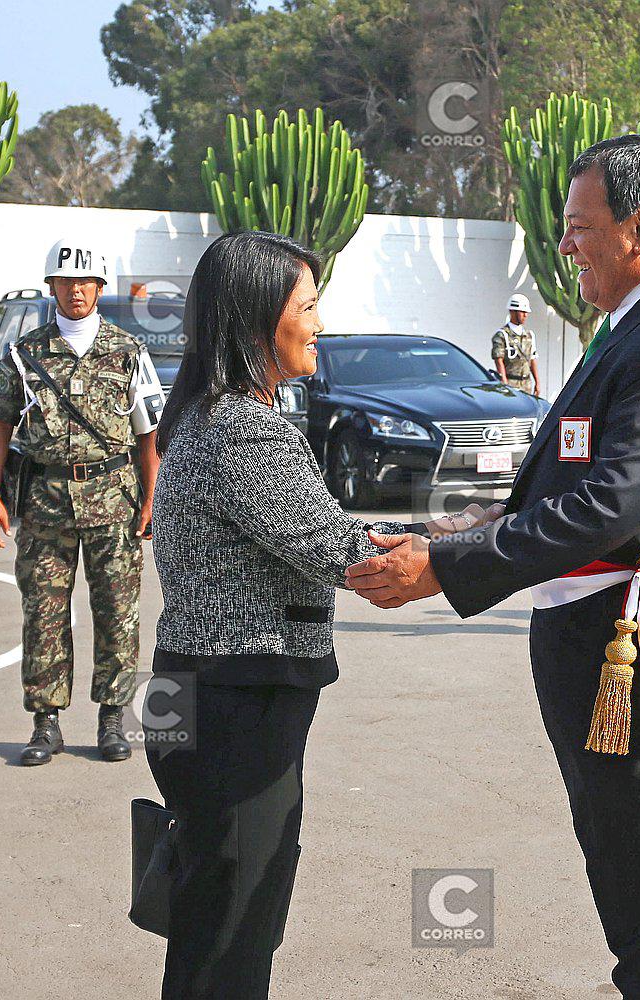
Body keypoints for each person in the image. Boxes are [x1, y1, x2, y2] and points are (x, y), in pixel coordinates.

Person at [346, 134, 640, 999]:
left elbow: (610, 507)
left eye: (580, 228)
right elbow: (562, 483)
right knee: (636, 891)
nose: (565, 246)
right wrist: (451, 533)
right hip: (623, 639)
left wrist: (446, 569)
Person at [144, 230, 493, 1000]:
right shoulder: (242, 426)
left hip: (208, 695)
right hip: (233, 705)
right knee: (232, 927)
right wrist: (477, 538)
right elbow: (339, 546)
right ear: (256, 316)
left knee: (219, 913)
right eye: (307, 306)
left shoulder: (217, 413)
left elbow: (316, 526)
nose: (320, 324)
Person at [0, 237, 164, 765]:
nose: (76, 289)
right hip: (46, 501)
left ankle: (112, 720)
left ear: (101, 288)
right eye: (66, 281)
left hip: (114, 499)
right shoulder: (25, 353)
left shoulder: (129, 352)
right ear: (52, 287)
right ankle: (46, 724)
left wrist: (152, 498)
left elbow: (148, 433)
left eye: (86, 281)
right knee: (42, 612)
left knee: (118, 613)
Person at [493, 292, 541, 396]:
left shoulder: (529, 335)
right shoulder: (502, 335)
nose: (525, 315)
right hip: (511, 383)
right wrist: (504, 382)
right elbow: (499, 360)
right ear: (513, 312)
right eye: (522, 312)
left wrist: (537, 382)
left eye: (526, 312)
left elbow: (532, 359)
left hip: (526, 384)